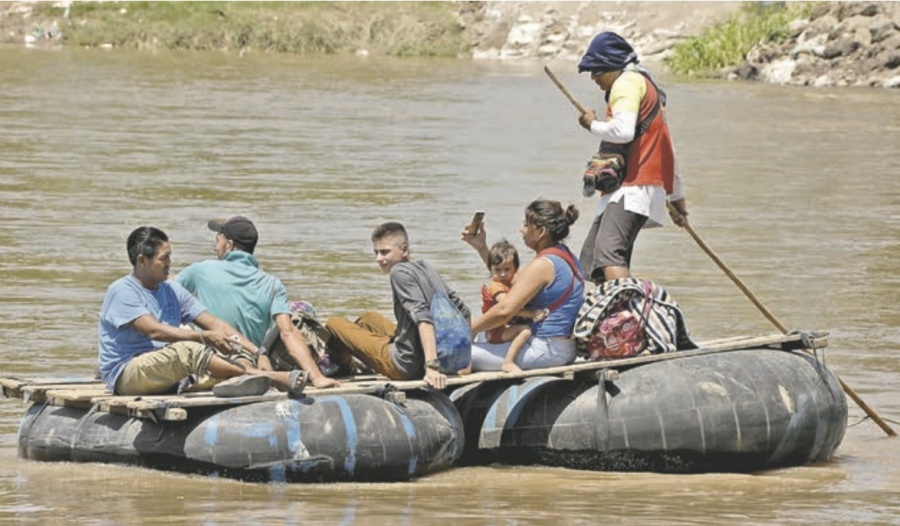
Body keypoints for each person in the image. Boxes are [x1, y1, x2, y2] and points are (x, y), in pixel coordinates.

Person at [98, 226, 307, 396]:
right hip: (128, 373)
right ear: (142, 260)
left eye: (170, 257)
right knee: (187, 350)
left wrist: (256, 352)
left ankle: (242, 375)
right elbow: (154, 331)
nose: (170, 263)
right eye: (164, 258)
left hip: (166, 367)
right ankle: (271, 378)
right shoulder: (121, 291)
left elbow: (217, 325)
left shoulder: (172, 289)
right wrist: (203, 337)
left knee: (233, 351)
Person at [575, 31, 689, 283]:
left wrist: (592, 124)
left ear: (613, 66)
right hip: (631, 191)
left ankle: (626, 317)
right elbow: (667, 151)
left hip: (633, 189)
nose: (594, 78)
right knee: (591, 259)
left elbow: (623, 132)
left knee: (608, 255)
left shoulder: (626, 83)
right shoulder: (644, 87)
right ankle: (604, 315)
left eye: (597, 71)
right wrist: (678, 200)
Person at [175, 216, 339, 389]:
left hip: (208, 359)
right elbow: (288, 332)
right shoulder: (272, 284)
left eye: (218, 241)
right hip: (249, 357)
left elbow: (164, 292)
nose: (215, 247)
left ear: (229, 245)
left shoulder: (201, 270)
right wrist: (316, 377)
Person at [324, 222, 471, 389]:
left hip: (405, 366)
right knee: (368, 318)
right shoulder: (426, 267)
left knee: (334, 323)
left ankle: (345, 366)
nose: (379, 259)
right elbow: (464, 310)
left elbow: (424, 319)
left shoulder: (398, 272)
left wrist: (432, 368)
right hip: (422, 351)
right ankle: (359, 357)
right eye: (376, 252)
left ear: (404, 249)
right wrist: (466, 361)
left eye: (385, 252)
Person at [463, 199, 584, 372]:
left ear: (541, 231)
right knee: (483, 333)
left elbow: (504, 311)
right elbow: (510, 280)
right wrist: (482, 248)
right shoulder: (565, 256)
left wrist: (464, 330)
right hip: (561, 347)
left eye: (526, 225)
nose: (522, 230)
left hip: (543, 349)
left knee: (454, 353)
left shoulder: (542, 265)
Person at [475, 239, 550, 373]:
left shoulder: (511, 282)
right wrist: (531, 314)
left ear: (515, 269)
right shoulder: (496, 286)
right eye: (497, 270)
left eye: (507, 269)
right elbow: (508, 308)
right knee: (525, 330)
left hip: (500, 328)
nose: (503, 274)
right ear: (491, 269)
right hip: (495, 331)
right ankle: (508, 362)